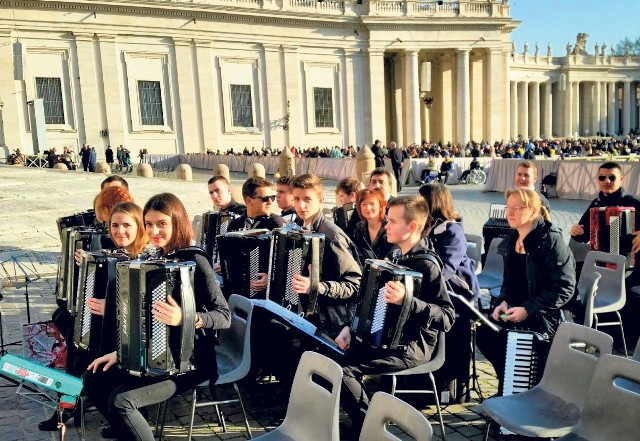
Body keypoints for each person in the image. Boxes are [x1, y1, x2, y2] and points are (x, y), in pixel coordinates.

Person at [82, 193, 231, 441]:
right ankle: (127, 433)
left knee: (122, 401)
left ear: (177, 222)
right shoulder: (155, 259)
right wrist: (123, 353)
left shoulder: (195, 259)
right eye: (149, 224)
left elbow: (223, 316)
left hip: (191, 361)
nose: (154, 231)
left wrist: (185, 317)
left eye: (162, 223)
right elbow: (145, 321)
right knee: (93, 379)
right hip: (157, 354)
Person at [336, 195, 454, 437]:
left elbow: (447, 317)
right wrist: (351, 326)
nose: (386, 225)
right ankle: (363, 424)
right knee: (329, 355)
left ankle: (368, 428)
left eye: (391, 221)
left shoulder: (427, 265)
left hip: (411, 348)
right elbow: (368, 298)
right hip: (384, 339)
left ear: (411, 227)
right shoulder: (394, 254)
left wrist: (408, 302)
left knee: (344, 370)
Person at [477, 188, 575, 394]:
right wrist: (503, 301)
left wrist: (527, 309)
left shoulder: (551, 240)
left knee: (512, 340)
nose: (510, 213)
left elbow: (564, 288)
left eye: (517, 208)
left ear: (533, 211)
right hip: (520, 308)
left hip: (547, 314)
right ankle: (509, 382)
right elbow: (510, 283)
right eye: (508, 207)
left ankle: (521, 389)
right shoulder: (513, 239)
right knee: (485, 334)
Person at [419, 182, 480, 401]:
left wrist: (421, 286)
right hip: (440, 291)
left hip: (459, 294)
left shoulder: (452, 230)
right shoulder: (425, 227)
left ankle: (450, 387)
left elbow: (445, 269)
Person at [569, 162, 640, 346]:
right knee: (575, 277)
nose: (606, 181)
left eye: (612, 177)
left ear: (621, 179)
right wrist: (575, 231)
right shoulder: (596, 204)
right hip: (601, 263)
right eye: (602, 177)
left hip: (630, 265)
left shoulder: (632, 203)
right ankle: (586, 330)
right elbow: (583, 234)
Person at [351, 188, 393, 262]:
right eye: (364, 204)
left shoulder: (390, 226)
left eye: (372, 204)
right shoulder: (359, 227)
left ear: (380, 205)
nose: (368, 208)